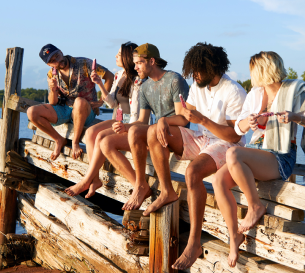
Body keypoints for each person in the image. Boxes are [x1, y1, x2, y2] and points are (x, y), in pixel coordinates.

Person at [212, 51, 305, 268]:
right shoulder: (255, 94)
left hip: (280, 156)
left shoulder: (295, 91)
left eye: (252, 70)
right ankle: (234, 237)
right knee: (218, 180)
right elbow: (238, 128)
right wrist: (249, 122)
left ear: (262, 70)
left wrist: (296, 117)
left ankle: (255, 207)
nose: (251, 74)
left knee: (233, 153)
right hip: (256, 151)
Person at [142, 42, 246, 270]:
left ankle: (194, 242)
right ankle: (167, 190)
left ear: (213, 67)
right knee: (153, 132)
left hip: (225, 143)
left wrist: (204, 121)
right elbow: (183, 117)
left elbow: (235, 136)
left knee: (192, 173)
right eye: (192, 71)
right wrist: (164, 120)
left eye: (198, 71)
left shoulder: (234, 91)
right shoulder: (198, 86)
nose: (195, 76)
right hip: (201, 137)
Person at [99, 43, 190, 211]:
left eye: (139, 63)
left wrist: (163, 122)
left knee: (151, 129)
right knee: (133, 130)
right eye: (135, 63)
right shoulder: (146, 86)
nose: (135, 67)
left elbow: (183, 119)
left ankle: (165, 191)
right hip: (156, 132)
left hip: (178, 133)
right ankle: (140, 185)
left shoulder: (174, 80)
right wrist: (126, 126)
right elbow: (142, 120)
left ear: (152, 61)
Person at [65, 41, 146, 198]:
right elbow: (112, 103)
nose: (116, 56)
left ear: (128, 57)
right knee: (89, 133)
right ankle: (95, 179)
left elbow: (139, 113)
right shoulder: (119, 75)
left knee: (102, 137)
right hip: (118, 119)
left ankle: (86, 180)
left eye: (120, 54)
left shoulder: (138, 80)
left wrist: (128, 126)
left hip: (131, 123)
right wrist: (100, 84)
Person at [27, 44, 114, 161]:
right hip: (65, 109)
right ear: (49, 64)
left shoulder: (84, 63)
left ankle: (75, 142)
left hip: (86, 111)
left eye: (57, 56)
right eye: (52, 61)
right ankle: (58, 139)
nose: (57, 61)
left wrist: (100, 101)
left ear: (61, 52)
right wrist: (53, 90)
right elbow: (53, 102)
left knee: (79, 102)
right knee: (31, 112)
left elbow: (109, 76)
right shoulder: (51, 74)